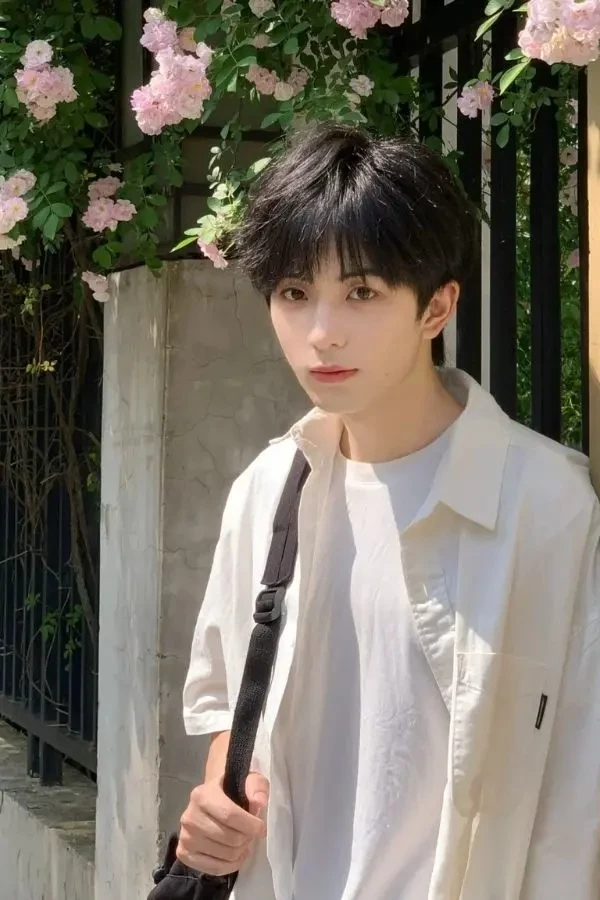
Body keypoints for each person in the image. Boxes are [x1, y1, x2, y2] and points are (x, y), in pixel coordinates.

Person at [176, 124, 600, 900]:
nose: (321, 332)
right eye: (294, 294)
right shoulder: (266, 492)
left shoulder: (547, 506)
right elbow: (234, 712)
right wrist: (217, 807)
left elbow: (579, 783)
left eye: (362, 293)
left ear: (436, 307)